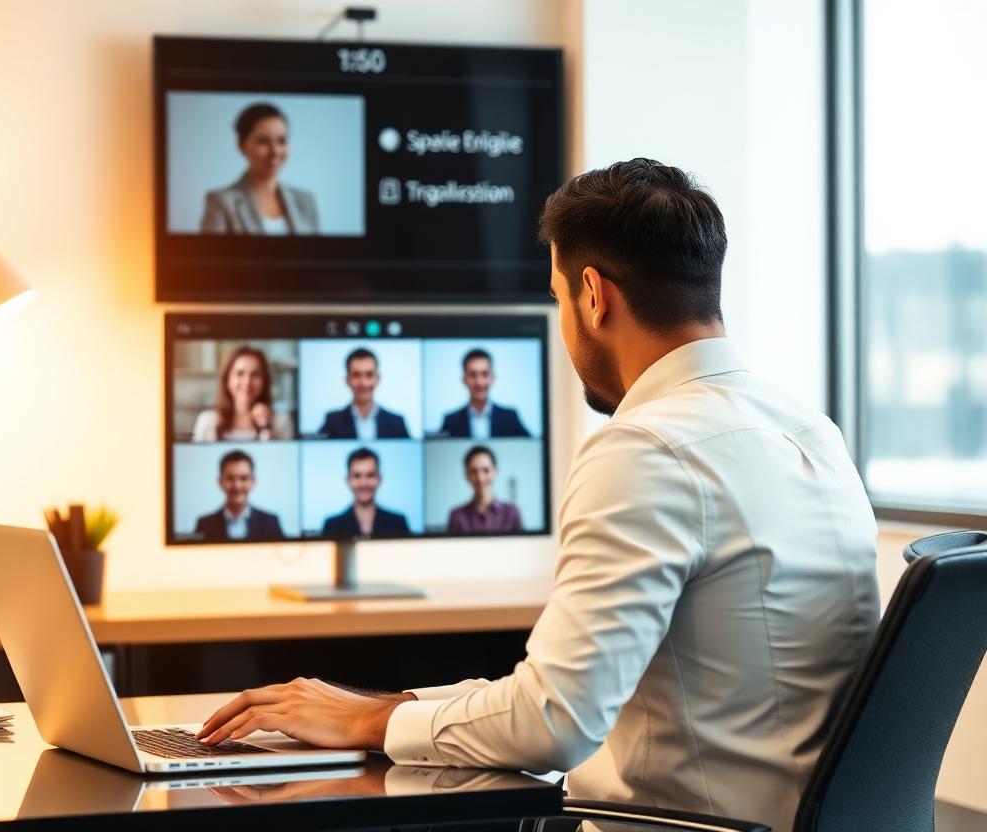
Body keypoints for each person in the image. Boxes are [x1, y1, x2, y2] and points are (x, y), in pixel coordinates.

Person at [195, 159, 879, 832]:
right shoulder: (811, 432)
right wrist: (386, 702)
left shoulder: (645, 448)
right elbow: (565, 695)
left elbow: (557, 722)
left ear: (592, 295)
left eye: (556, 299)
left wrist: (369, 721)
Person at [200, 102, 320, 236]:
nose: (275, 151)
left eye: (281, 141)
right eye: (263, 141)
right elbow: (210, 256)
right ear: (242, 145)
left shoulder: (306, 201)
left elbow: (317, 256)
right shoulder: (221, 202)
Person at [192, 345, 293, 442]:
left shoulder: (281, 422)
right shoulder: (207, 421)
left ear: (264, 381)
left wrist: (266, 427)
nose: (247, 382)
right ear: (227, 379)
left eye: (255, 374)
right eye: (240, 373)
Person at [317, 348, 411, 439]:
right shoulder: (333, 421)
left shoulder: (397, 423)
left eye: (369, 375)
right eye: (356, 375)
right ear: (347, 380)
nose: (363, 383)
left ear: (378, 379)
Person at [193, 450, 285, 542]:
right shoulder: (204, 524)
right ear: (220, 482)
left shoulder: (270, 523)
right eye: (230, 478)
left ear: (253, 481)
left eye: (243, 478)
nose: (237, 486)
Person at [437, 348, 531, 438]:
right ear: (464, 379)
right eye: (473, 375)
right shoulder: (451, 421)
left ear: (492, 378)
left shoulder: (510, 418)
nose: (479, 382)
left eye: (485, 374)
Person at [321, 448, 411, 539]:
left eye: (370, 475)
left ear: (380, 479)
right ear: (348, 480)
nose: (364, 483)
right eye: (357, 476)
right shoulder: (332, 526)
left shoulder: (398, 523)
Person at [446, 446, 523, 534]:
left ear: (495, 472)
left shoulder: (512, 513)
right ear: (466, 475)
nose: (480, 478)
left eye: (486, 470)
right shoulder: (457, 516)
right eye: (473, 471)